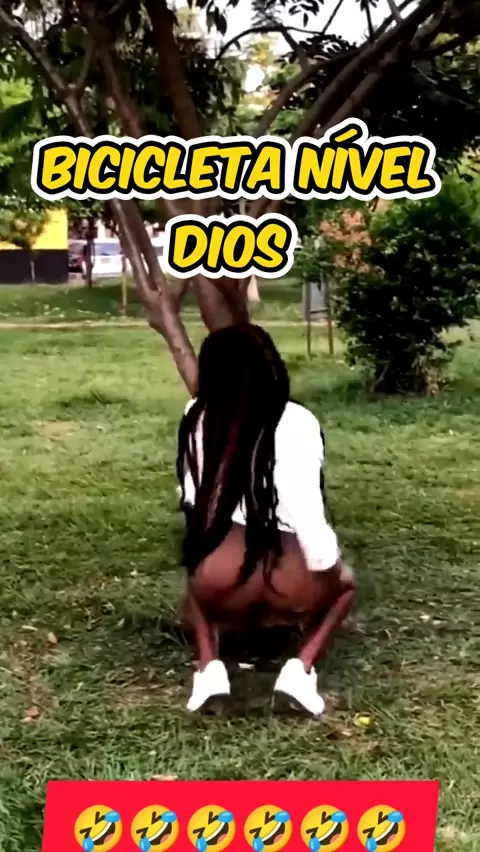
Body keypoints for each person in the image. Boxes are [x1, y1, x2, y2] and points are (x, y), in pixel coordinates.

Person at [176, 323, 356, 716]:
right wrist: (329, 569)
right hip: (287, 577)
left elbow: (191, 495)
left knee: (195, 583)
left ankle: (208, 669)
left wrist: (202, 555)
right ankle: (300, 671)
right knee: (345, 589)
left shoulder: (199, 414)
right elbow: (305, 510)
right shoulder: (296, 420)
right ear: (271, 365)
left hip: (225, 574)